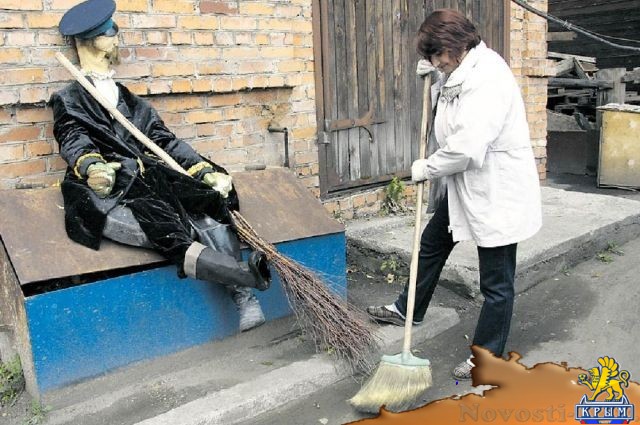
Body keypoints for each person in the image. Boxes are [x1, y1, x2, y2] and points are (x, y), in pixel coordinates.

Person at [50, 0, 271, 332]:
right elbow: (72, 137)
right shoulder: (70, 99)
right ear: (89, 39)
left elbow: (164, 141)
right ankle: (245, 279)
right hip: (115, 187)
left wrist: (203, 170)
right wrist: (93, 166)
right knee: (167, 226)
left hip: (153, 174)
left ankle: (244, 297)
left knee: (209, 203)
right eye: (110, 30)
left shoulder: (129, 99)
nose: (117, 34)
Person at [367, 9, 542, 379]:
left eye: (435, 56)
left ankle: (487, 358)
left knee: (496, 281)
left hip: (495, 189)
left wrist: (427, 168)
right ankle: (408, 309)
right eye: (430, 58)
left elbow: (467, 147)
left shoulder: (487, 78)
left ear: (454, 46)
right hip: (465, 186)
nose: (433, 61)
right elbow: (444, 118)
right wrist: (434, 82)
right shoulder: (456, 71)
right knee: (431, 244)